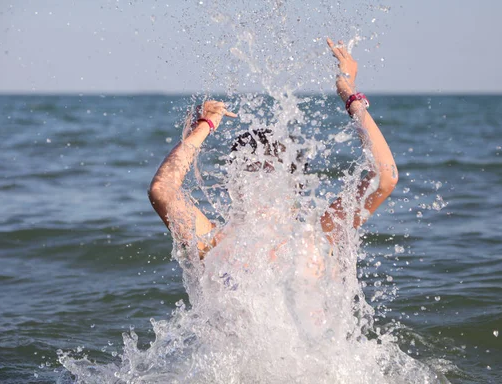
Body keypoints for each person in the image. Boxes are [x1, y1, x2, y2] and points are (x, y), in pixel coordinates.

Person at [148, 38, 398, 260]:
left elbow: (384, 177)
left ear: (296, 186)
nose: (260, 178)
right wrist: (206, 124)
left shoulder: (319, 238)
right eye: (250, 169)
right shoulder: (213, 243)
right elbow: (163, 191)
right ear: (233, 183)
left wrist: (348, 92)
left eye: (272, 169)